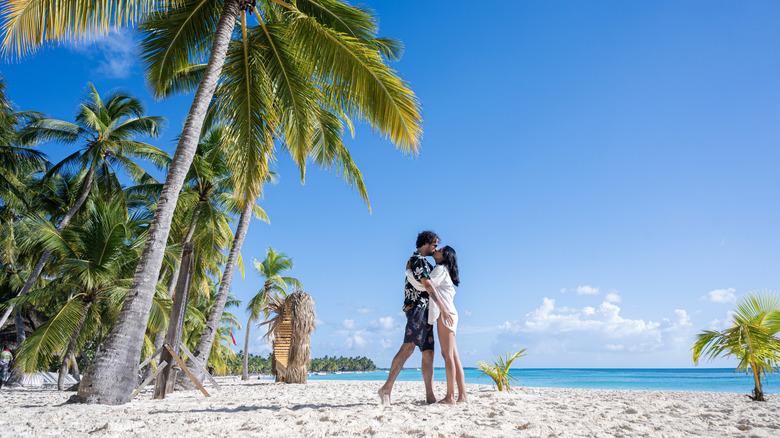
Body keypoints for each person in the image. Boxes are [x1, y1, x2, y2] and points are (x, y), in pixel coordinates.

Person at [378, 231, 454, 405]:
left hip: (426, 312)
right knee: (408, 348)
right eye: (434, 245)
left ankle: (430, 395)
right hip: (417, 309)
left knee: (428, 353)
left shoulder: (425, 263)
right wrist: (443, 308)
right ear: (426, 243)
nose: (435, 249)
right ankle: (386, 389)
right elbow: (427, 285)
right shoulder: (418, 259)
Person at [405, 246, 467, 404]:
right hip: (450, 313)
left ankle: (450, 396)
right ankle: (462, 396)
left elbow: (424, 285)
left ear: (445, 256)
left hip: (445, 314)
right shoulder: (444, 270)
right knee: (454, 356)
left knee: (448, 355)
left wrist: (409, 273)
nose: (436, 249)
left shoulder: (440, 269)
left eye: (440, 250)